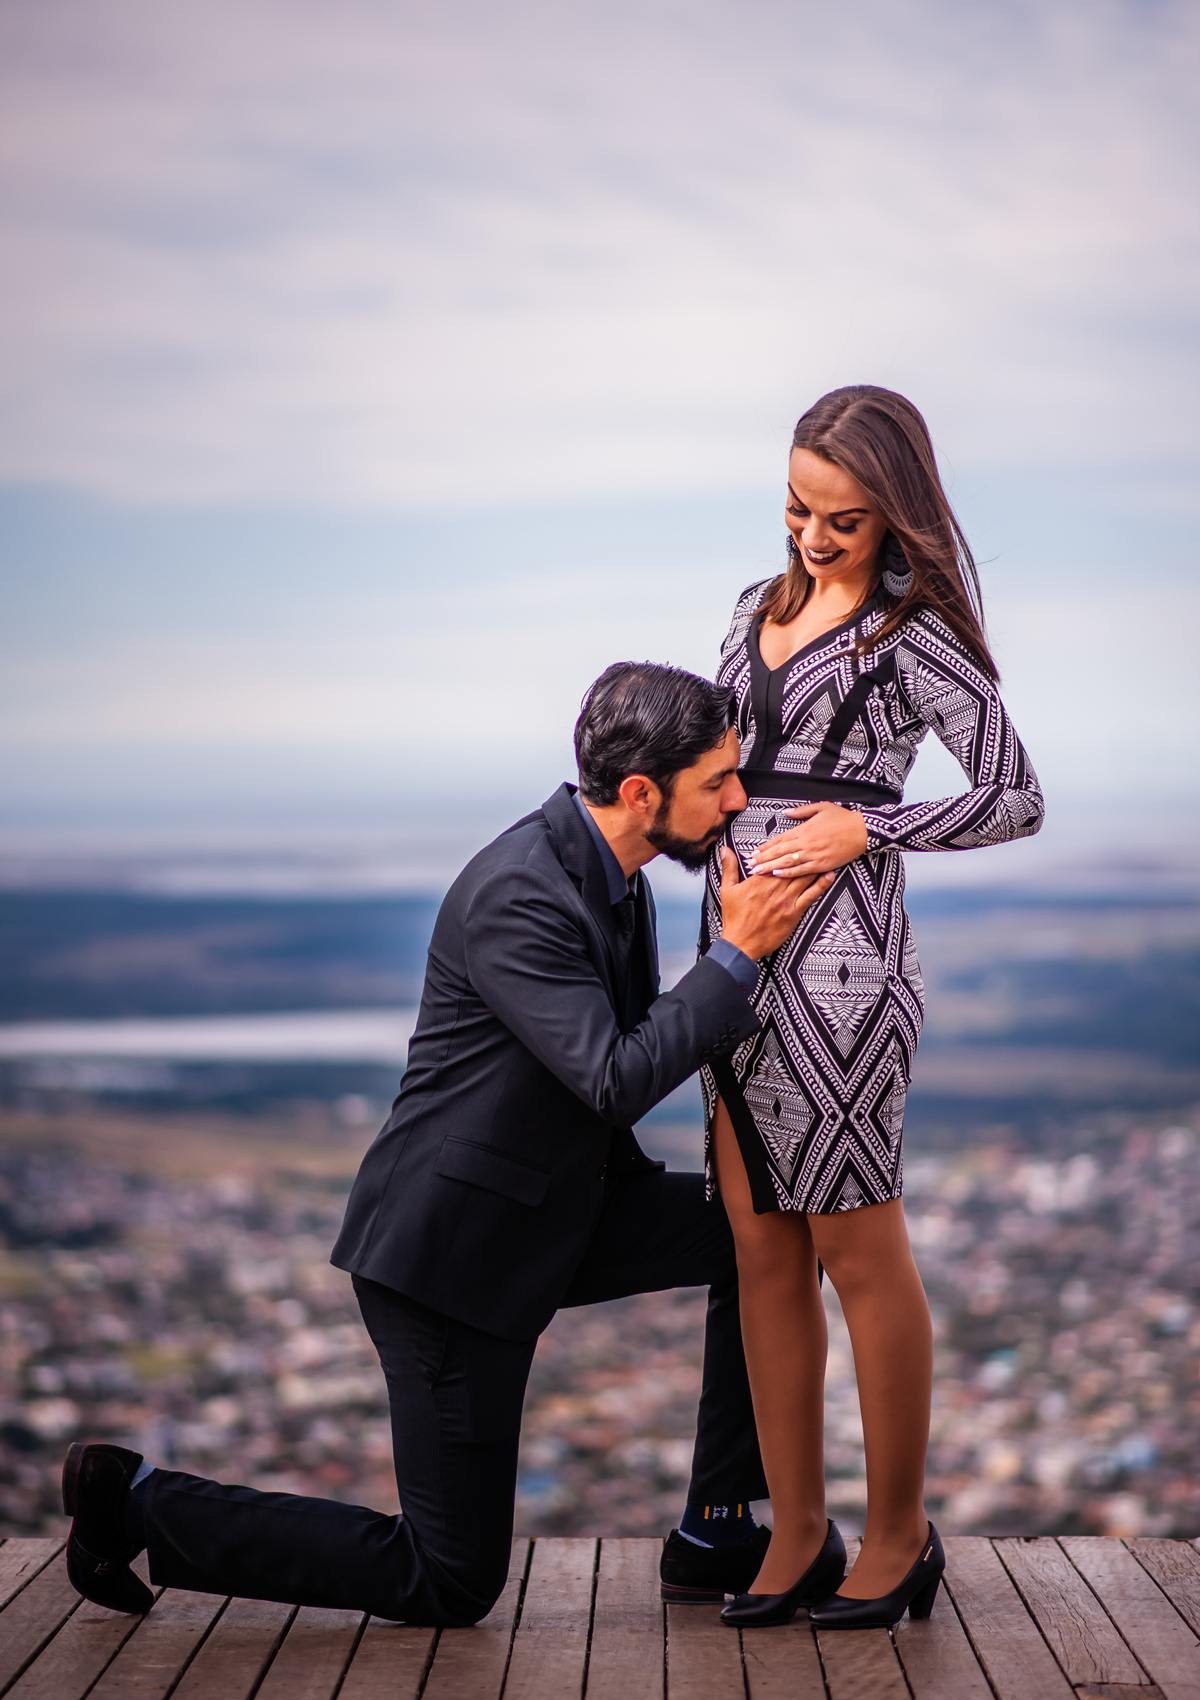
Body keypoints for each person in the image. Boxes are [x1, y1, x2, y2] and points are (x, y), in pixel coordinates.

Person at [62, 662, 834, 1627]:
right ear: (642, 793)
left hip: (560, 1207)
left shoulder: (617, 878)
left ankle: (719, 1522)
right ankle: (133, 1501)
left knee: (764, 1232)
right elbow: (613, 1075)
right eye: (718, 779)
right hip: (451, 1259)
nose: (739, 797)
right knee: (448, 1579)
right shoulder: (522, 892)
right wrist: (740, 955)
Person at [707, 386, 1045, 1630]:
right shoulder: (754, 611)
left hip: (847, 967)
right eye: (796, 507)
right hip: (733, 947)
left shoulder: (916, 637)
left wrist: (872, 822)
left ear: (894, 512)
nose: (811, 536)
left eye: (842, 519)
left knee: (856, 1248)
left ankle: (900, 1535)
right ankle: (798, 1528)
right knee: (759, 1247)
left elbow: (1016, 795)